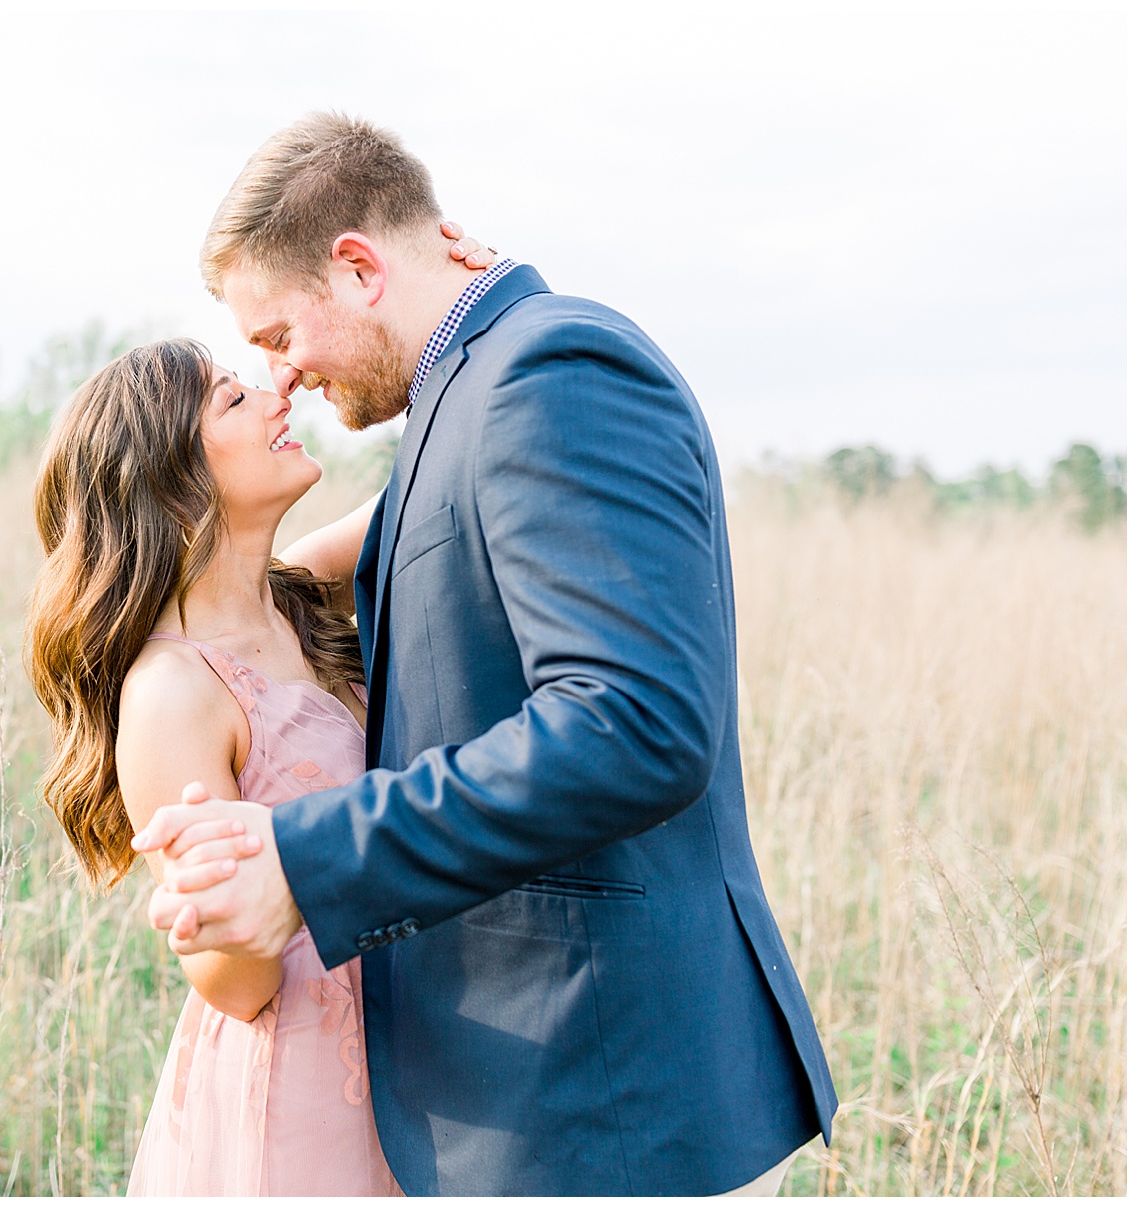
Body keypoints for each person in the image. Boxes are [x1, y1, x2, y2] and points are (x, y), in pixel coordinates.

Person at [131, 112, 839, 1196]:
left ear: (358, 267)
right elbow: (330, 574)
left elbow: (634, 722)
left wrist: (308, 862)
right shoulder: (464, 396)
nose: (283, 375)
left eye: (277, 334)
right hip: (528, 1096)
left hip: (605, 1094)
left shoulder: (548, 371)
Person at [24, 224, 482, 1192]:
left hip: (413, 1052)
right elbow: (238, 989)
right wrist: (218, 921)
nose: (279, 390)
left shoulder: (297, 594)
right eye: (234, 397)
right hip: (304, 1089)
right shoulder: (172, 692)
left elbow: (445, 479)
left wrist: (457, 290)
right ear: (170, 480)